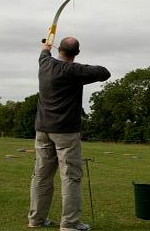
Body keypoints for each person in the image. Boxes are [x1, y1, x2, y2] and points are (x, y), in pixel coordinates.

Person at [28, 37, 110, 231]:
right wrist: (80, 66)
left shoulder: (45, 62)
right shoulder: (74, 71)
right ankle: (70, 223)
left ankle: (36, 219)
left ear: (59, 49)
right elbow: (104, 73)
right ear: (77, 53)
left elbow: (44, 52)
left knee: (41, 175)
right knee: (71, 176)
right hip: (65, 132)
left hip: (42, 129)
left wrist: (46, 46)